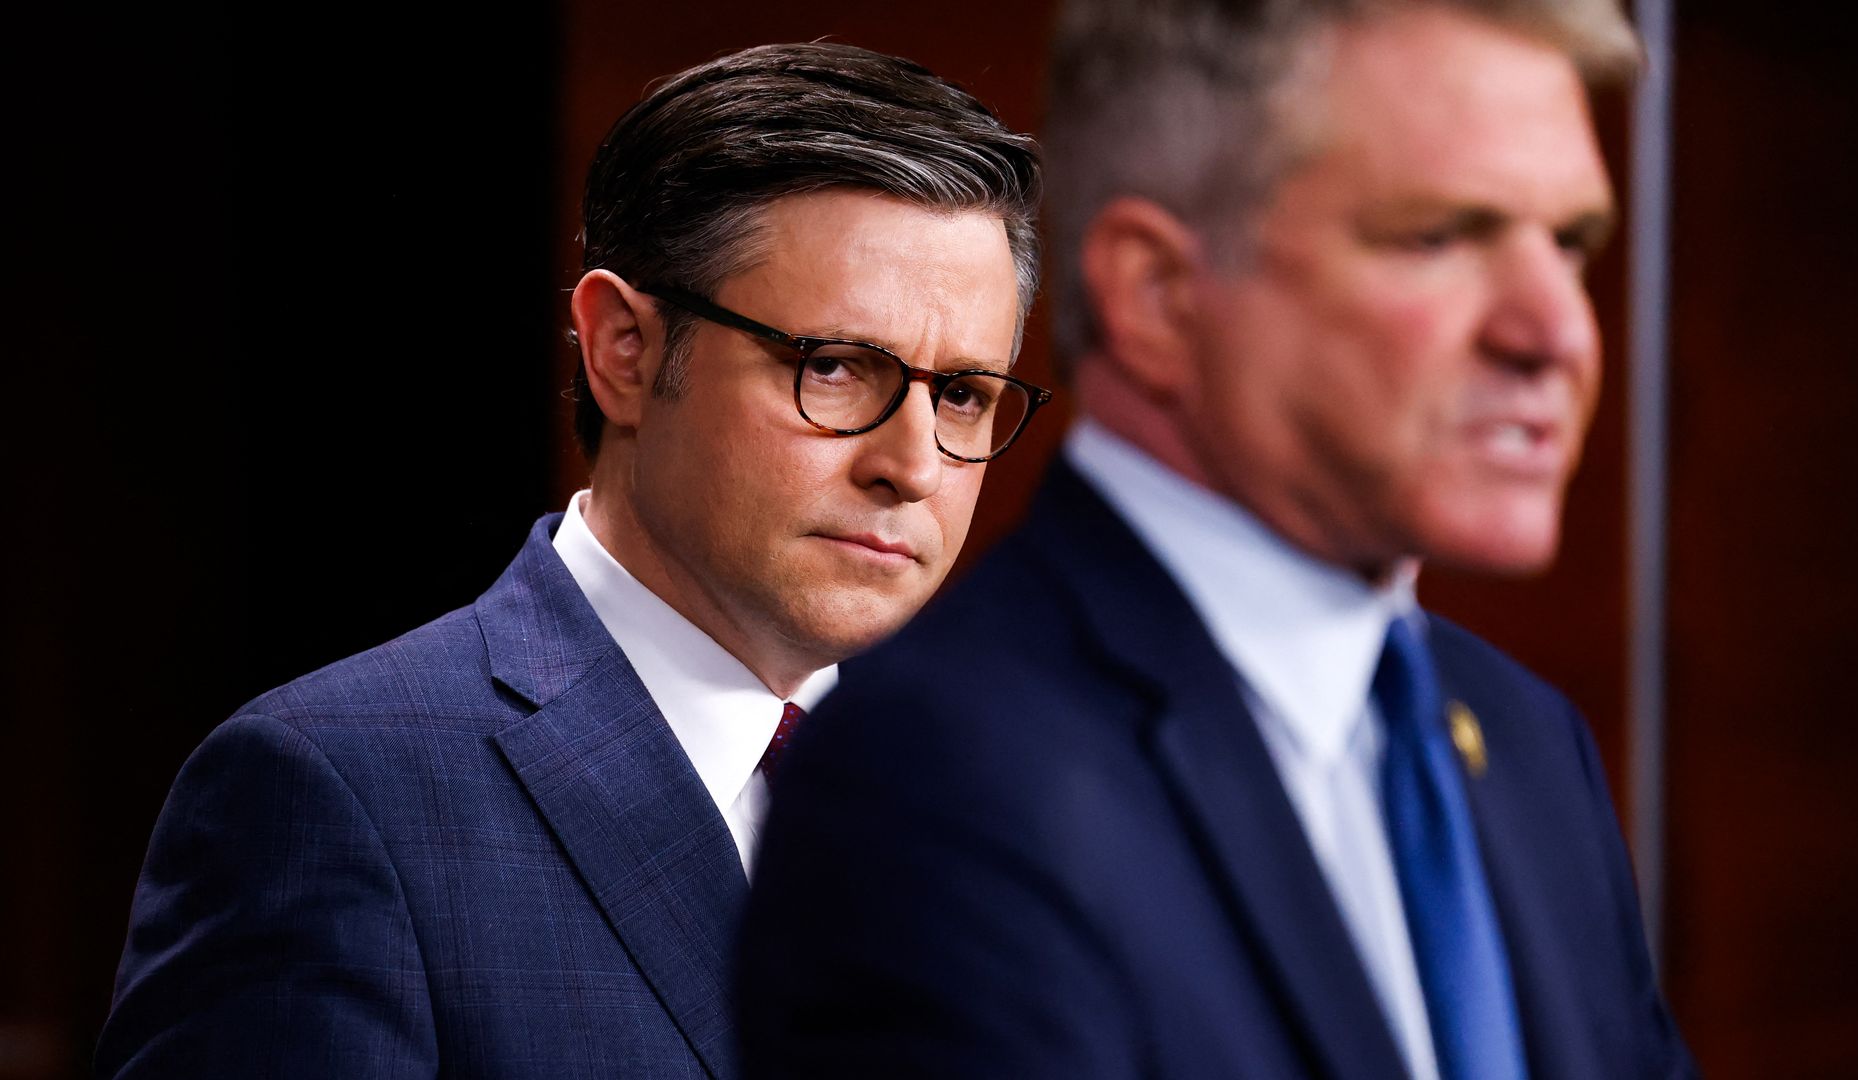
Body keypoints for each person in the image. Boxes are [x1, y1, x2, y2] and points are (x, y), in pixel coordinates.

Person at [737, 3, 1696, 1078]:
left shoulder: (1527, 745)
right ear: (1156, 294)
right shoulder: (931, 780)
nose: (1556, 331)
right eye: (1439, 236)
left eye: (1568, 244)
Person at [97, 42, 1045, 1079]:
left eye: (961, 395)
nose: (912, 466)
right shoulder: (330, 796)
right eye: (834, 367)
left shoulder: (1003, 803)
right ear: (622, 351)